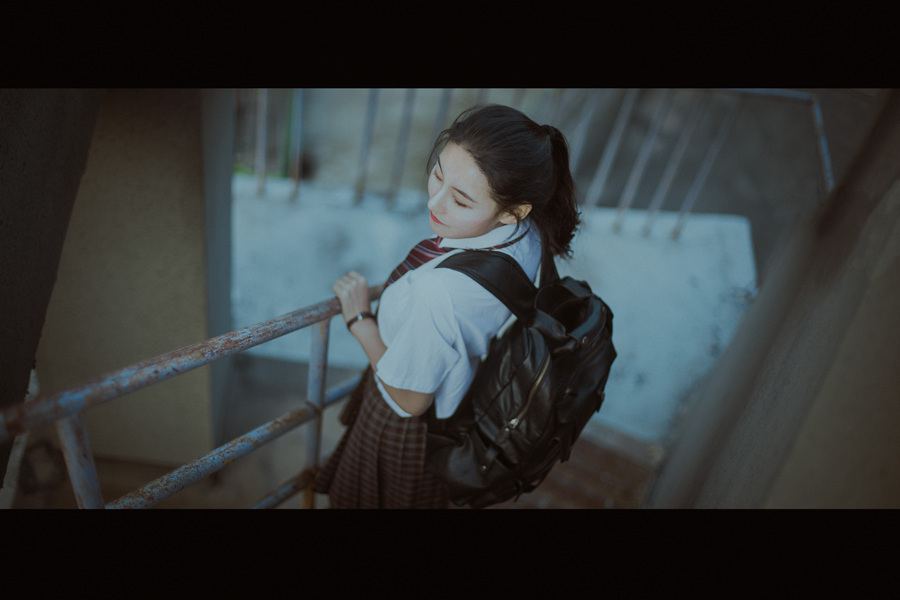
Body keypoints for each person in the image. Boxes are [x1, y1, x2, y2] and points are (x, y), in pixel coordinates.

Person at [312, 104, 581, 508]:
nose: (434, 204)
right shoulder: (527, 233)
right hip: (455, 405)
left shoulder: (439, 292)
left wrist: (360, 320)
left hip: (406, 424)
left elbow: (410, 400)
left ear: (513, 211)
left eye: (460, 200)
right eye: (438, 175)